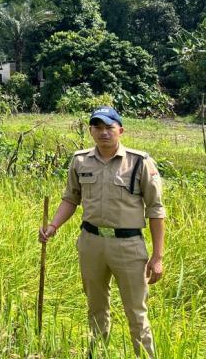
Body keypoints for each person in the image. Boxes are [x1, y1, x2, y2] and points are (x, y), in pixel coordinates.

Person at [39, 106, 164, 358]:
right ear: (90, 131)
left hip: (128, 246)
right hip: (91, 243)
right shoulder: (80, 161)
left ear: (121, 130)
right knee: (95, 307)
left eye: (109, 127)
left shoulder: (139, 162)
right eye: (98, 127)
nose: (103, 132)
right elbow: (71, 198)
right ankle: (97, 353)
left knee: (136, 312)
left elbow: (156, 209)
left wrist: (157, 256)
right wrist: (53, 226)